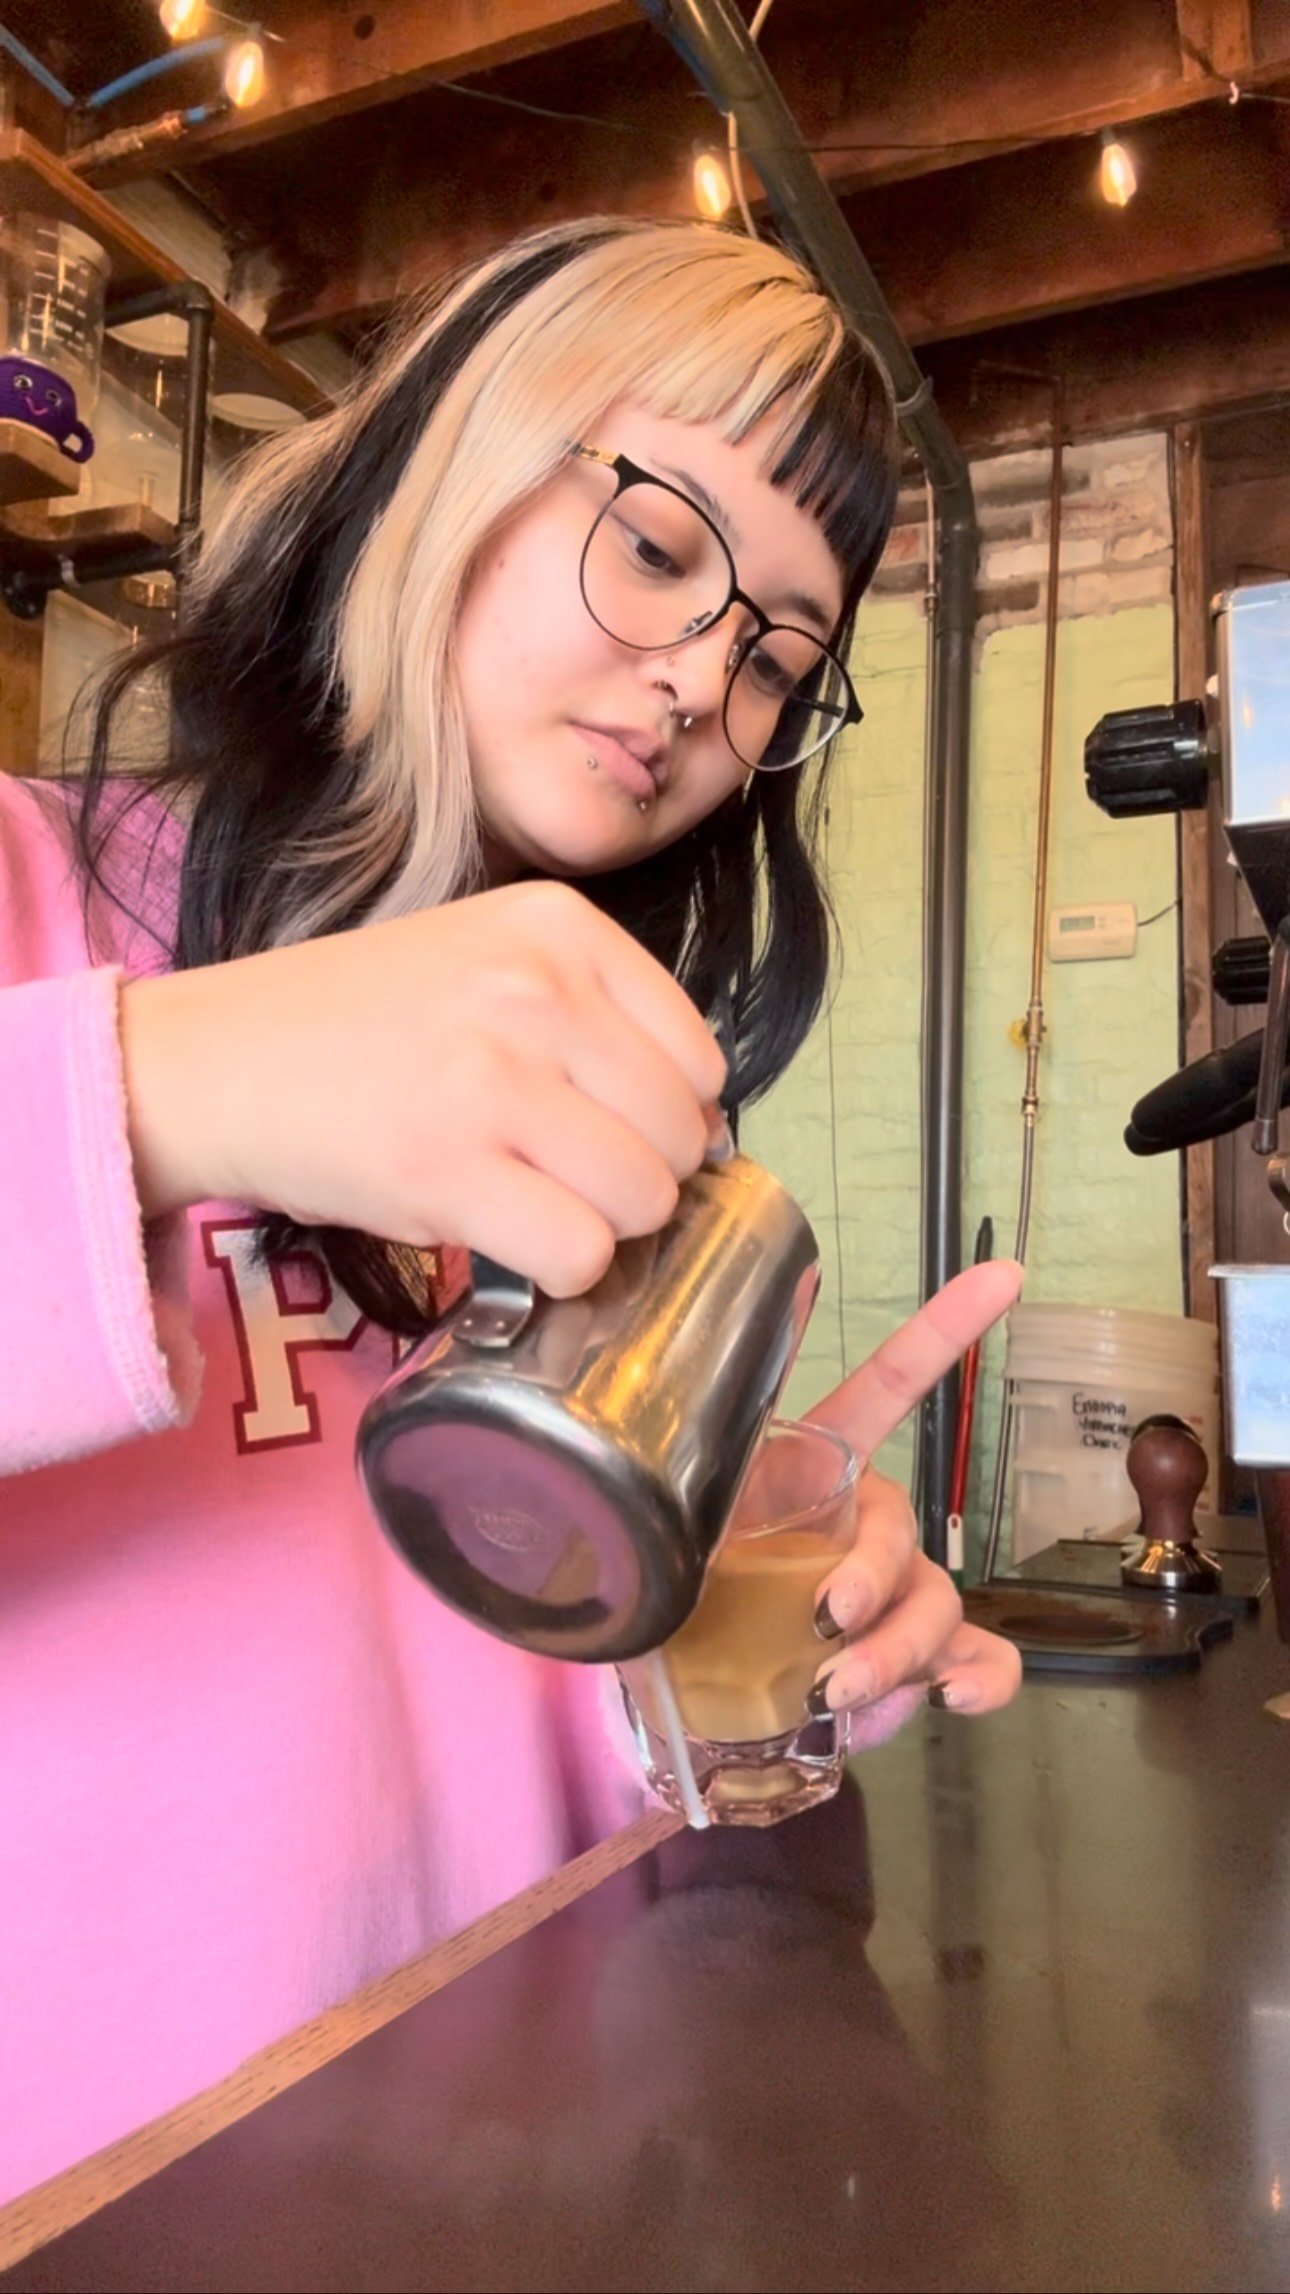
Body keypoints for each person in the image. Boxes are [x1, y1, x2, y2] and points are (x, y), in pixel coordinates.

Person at [0, 215, 1022, 2205]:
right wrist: (167, 1085)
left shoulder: (598, 1135)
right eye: (658, 547)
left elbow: (518, 1748)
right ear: (456, 452)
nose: (700, 681)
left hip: (521, 2197)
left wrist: (732, 1610)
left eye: (775, 660)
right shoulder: (37, 895)